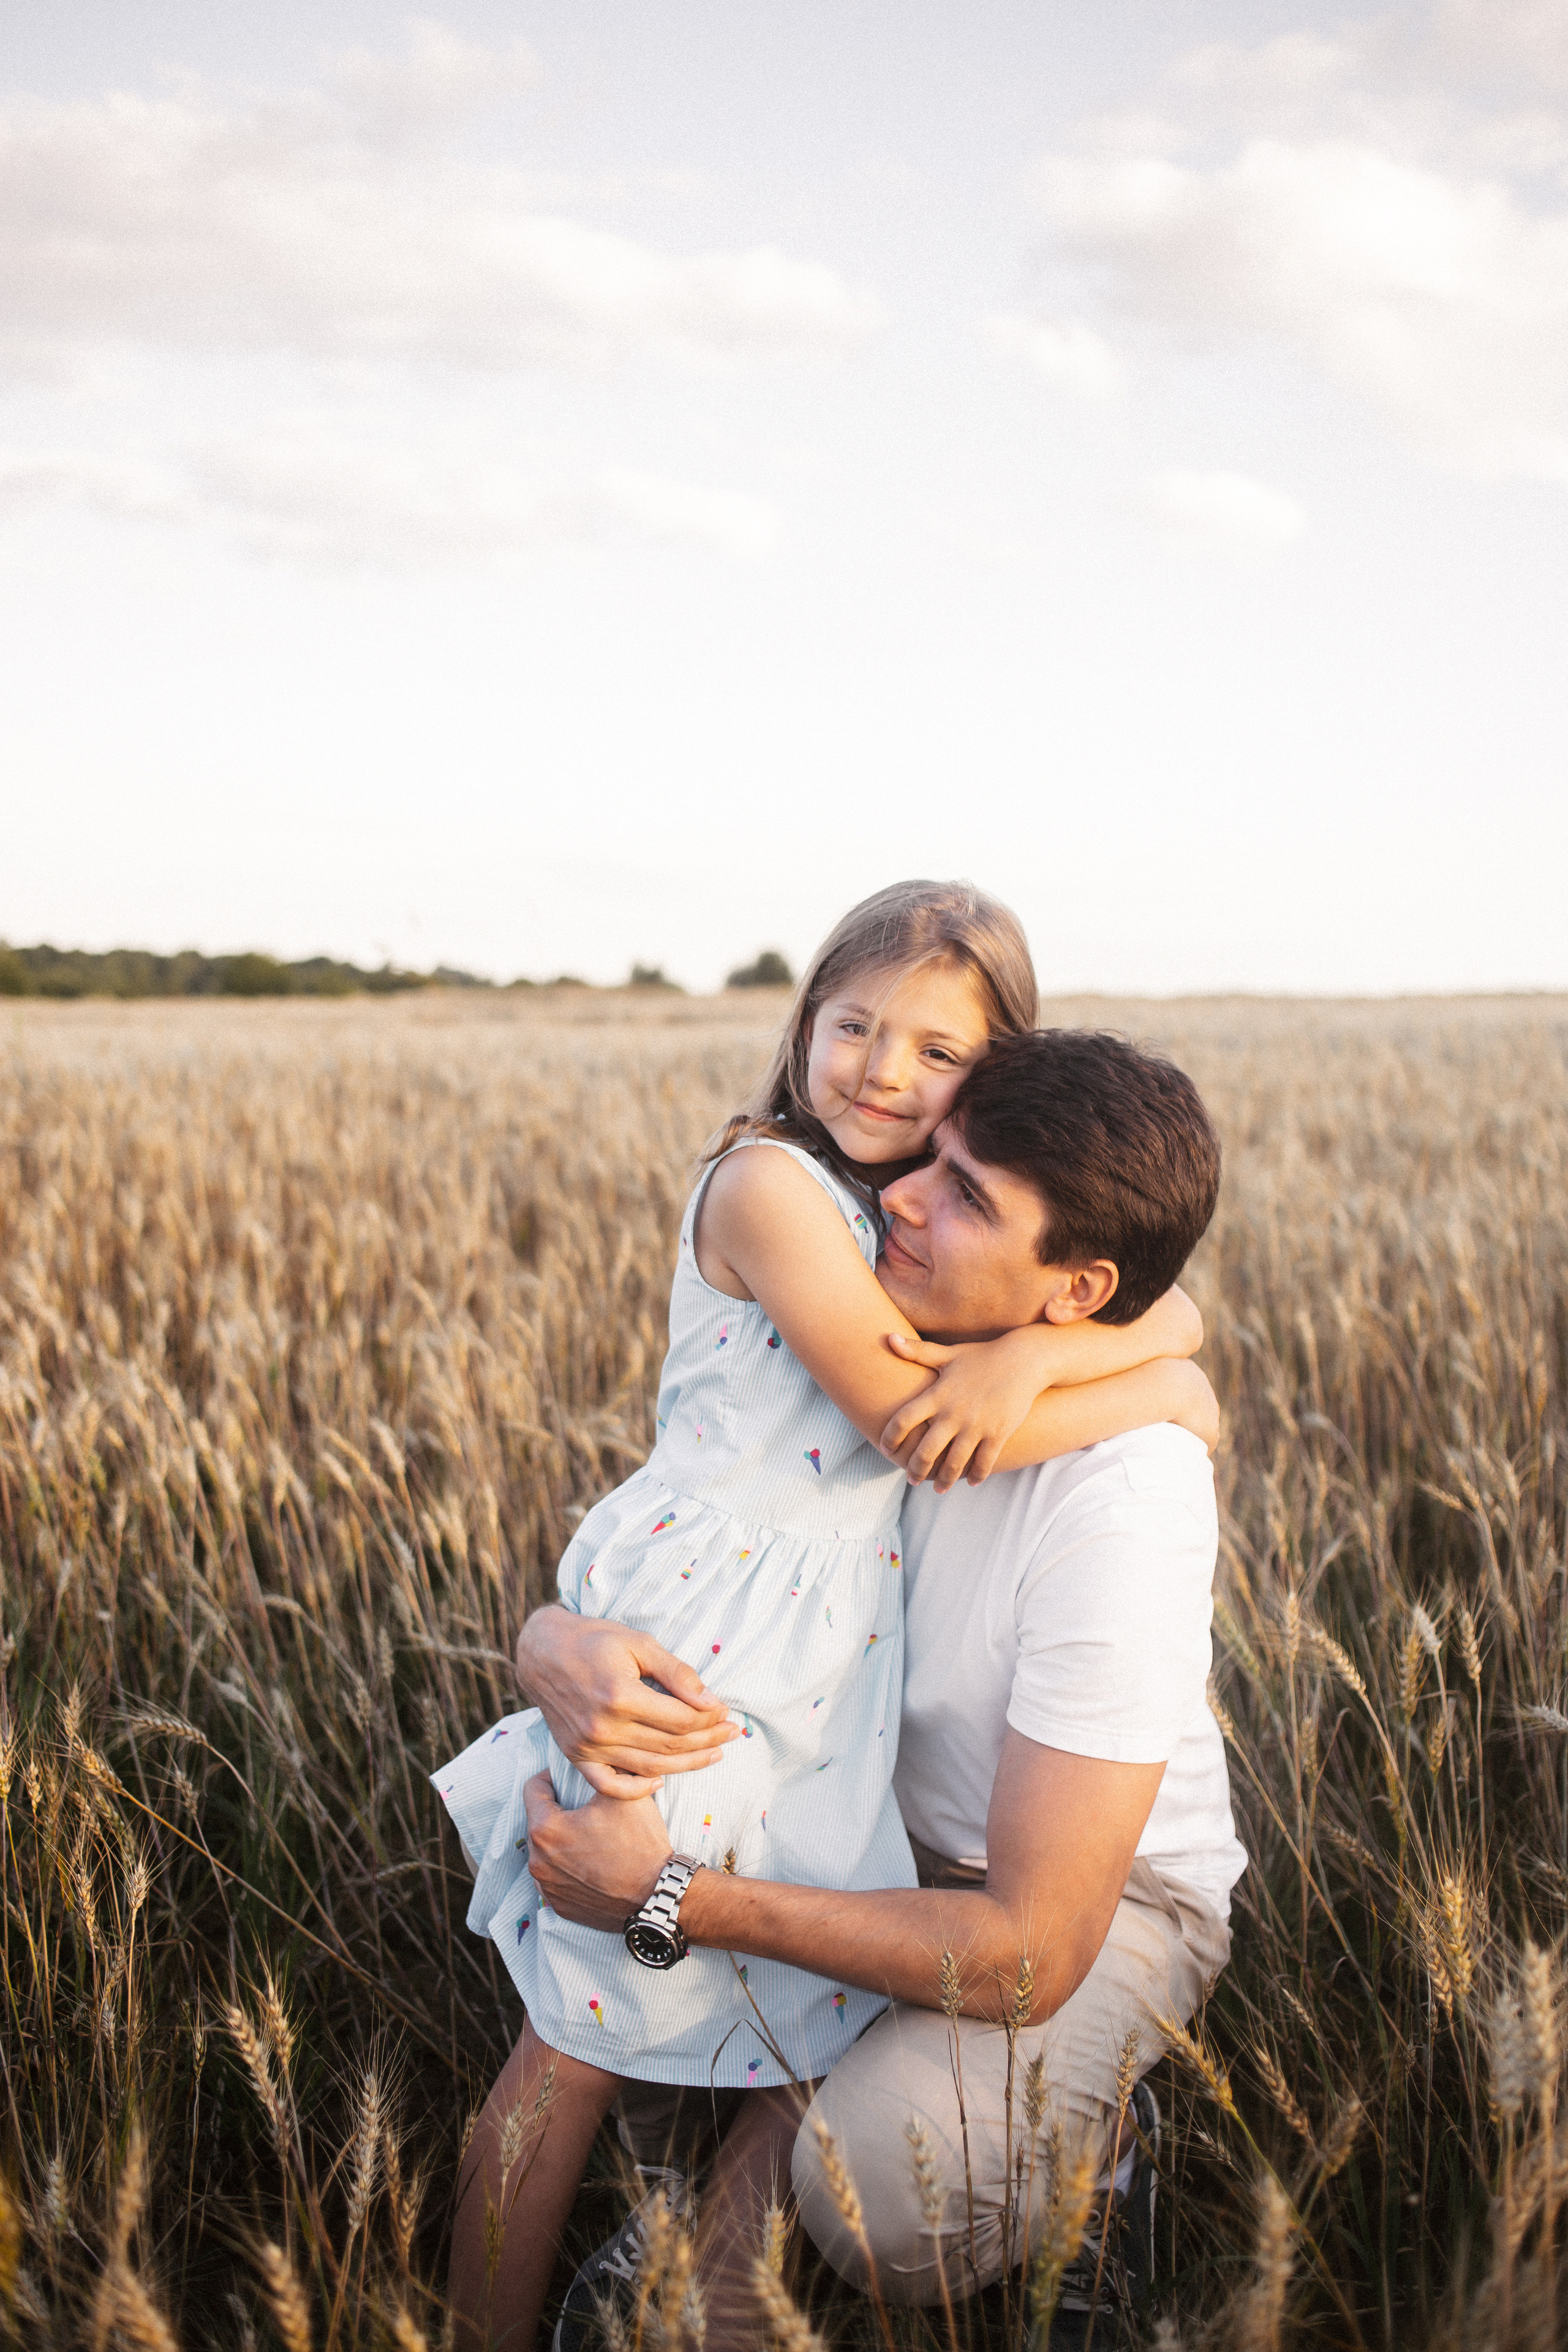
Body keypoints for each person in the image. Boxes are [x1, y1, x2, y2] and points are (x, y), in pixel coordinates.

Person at [434, 882, 1215, 2350]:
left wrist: (1146, 1365)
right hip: (703, 1676)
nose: (879, 1071)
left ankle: (719, 2302)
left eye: (935, 1056)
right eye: (849, 1025)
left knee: (808, 2024)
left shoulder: (990, 1333)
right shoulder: (778, 1191)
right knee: (575, 2050)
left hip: (844, 1724)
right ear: (799, 1024)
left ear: (987, 1084)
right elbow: (912, 1417)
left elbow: (1124, 1310)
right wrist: (1159, 1364)